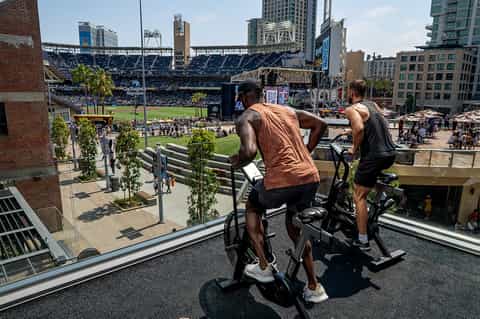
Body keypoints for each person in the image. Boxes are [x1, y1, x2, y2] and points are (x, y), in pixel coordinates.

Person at [230, 81, 329, 303]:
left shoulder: (247, 116)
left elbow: (249, 151)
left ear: (245, 98)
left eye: (241, 99)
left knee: (253, 206)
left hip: (282, 181)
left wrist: (237, 160)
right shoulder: (288, 110)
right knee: (296, 228)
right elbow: (321, 124)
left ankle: (264, 266)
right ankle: (314, 286)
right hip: (309, 178)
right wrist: (305, 152)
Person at [343, 80, 397, 251]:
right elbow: (375, 126)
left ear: (351, 92)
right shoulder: (373, 105)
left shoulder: (351, 109)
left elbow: (359, 129)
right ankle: (368, 219)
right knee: (367, 187)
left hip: (374, 156)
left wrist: (353, 148)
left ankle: (362, 239)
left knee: (359, 196)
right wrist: (350, 131)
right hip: (390, 153)